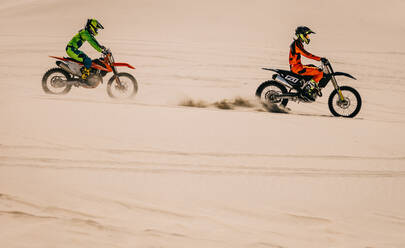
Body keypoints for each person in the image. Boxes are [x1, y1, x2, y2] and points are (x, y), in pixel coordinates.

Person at [289, 26, 328, 100]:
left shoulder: (298, 43)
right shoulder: (297, 44)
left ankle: (307, 87)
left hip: (297, 66)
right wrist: (320, 59)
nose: (307, 37)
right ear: (301, 35)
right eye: (306, 35)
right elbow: (307, 54)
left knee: (312, 66)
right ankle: (307, 91)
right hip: (297, 68)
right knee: (320, 73)